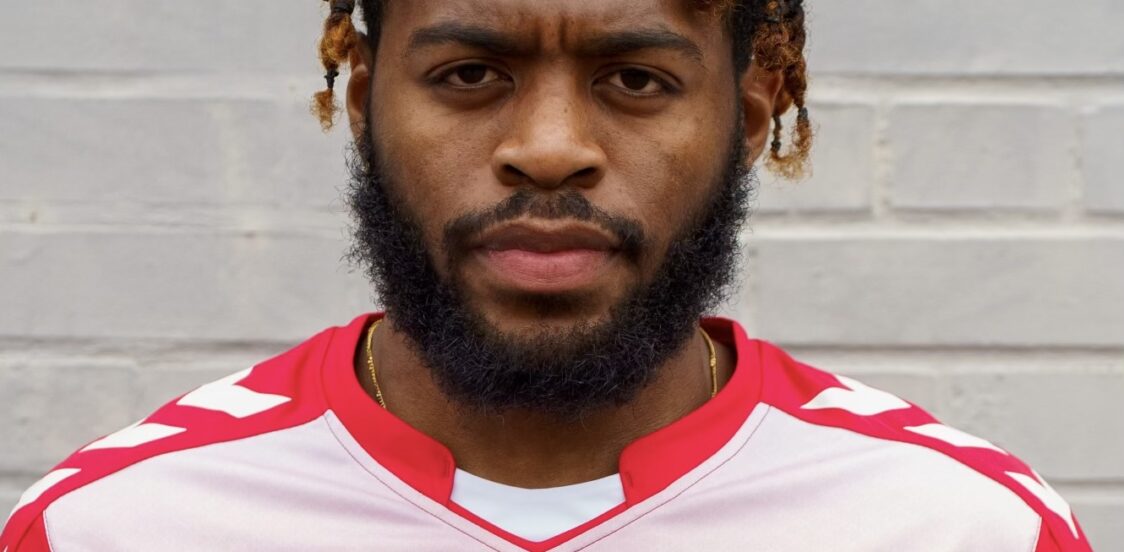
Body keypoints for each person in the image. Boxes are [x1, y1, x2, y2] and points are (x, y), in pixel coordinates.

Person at [0, 1, 1092, 550]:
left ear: (750, 116)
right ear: (365, 102)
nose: (550, 148)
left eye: (636, 79)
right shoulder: (120, 526)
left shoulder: (958, 527)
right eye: (470, 73)